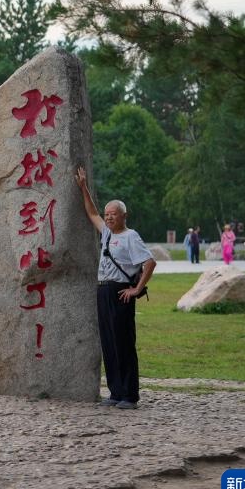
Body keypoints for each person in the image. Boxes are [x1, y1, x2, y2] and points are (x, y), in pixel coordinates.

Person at [75, 167, 156, 410]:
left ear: (124, 215)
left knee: (123, 342)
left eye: (113, 214)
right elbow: (91, 213)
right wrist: (83, 187)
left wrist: (136, 289)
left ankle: (129, 395)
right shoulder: (108, 234)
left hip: (120, 291)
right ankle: (115, 391)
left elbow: (150, 263)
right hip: (103, 291)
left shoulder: (131, 236)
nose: (108, 217)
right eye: (107, 214)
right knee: (109, 342)